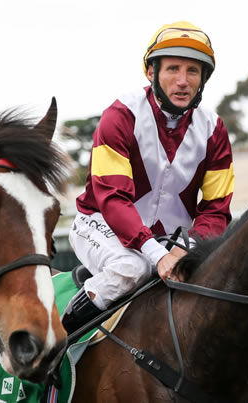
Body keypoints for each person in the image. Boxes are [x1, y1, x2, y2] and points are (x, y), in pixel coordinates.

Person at [62, 21, 234, 333]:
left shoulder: (215, 130)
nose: (182, 81)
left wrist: (189, 246)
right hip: (102, 225)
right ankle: (57, 343)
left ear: (203, 79)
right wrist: (156, 253)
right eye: (173, 69)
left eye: (193, 71)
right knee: (132, 268)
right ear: (151, 72)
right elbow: (113, 198)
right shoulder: (120, 116)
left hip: (172, 239)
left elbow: (217, 209)